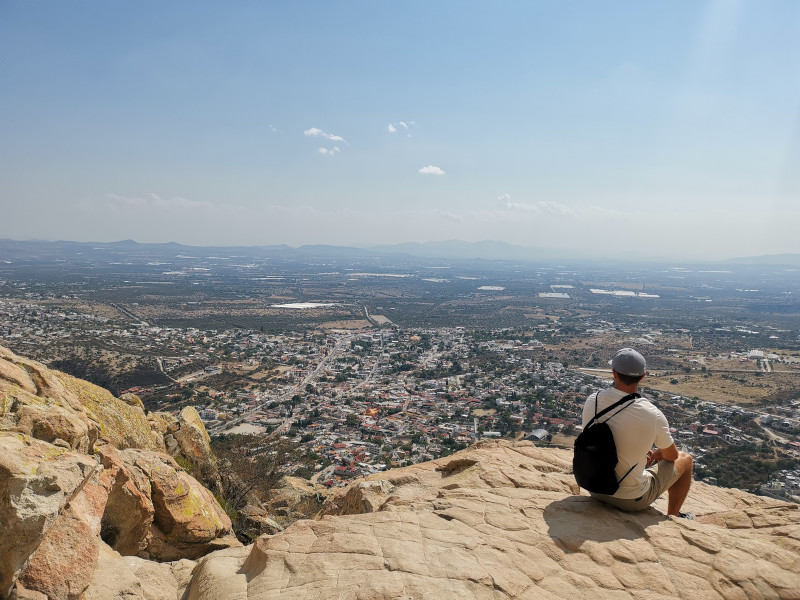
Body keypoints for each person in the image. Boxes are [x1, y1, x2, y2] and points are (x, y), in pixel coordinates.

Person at [581, 348, 693, 517]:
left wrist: (638, 451)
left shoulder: (593, 400)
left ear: (614, 374)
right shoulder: (652, 414)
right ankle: (674, 516)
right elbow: (672, 457)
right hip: (631, 500)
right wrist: (657, 452)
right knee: (686, 459)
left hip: (594, 489)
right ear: (643, 376)